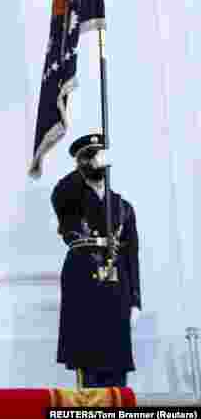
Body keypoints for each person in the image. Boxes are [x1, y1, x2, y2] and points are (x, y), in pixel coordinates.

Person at [52, 133, 141, 388]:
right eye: (89, 157)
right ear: (79, 164)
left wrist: (135, 299)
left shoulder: (123, 206)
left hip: (116, 288)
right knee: (89, 366)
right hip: (84, 284)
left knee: (117, 367)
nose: (97, 161)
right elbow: (63, 197)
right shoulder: (68, 195)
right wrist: (82, 166)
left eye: (100, 155)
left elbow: (132, 256)